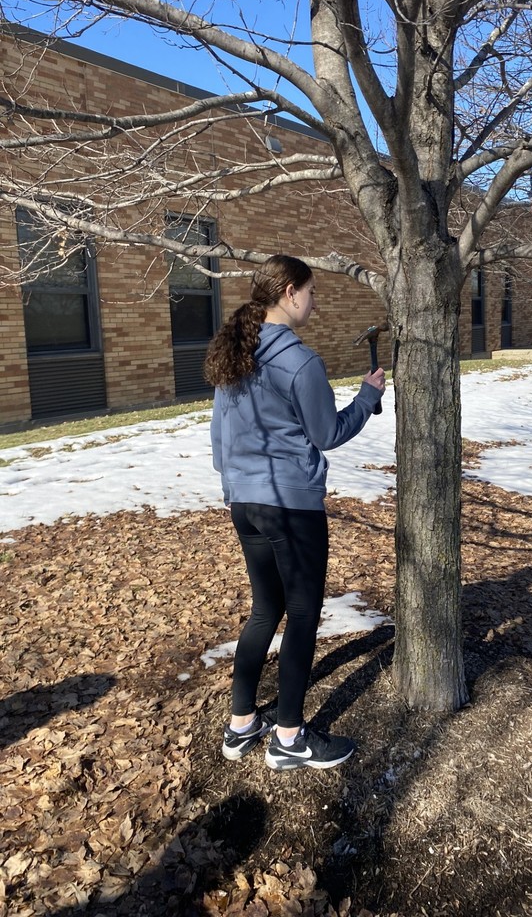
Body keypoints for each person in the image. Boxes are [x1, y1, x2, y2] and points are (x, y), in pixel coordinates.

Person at [204, 254, 385, 771]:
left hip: (245, 502)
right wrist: (367, 398)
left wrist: (239, 483)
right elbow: (327, 434)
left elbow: (220, 442)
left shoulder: (234, 352)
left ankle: (241, 726)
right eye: (310, 291)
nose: (315, 301)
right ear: (288, 292)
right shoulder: (299, 362)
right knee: (302, 612)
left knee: (266, 609)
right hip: (290, 506)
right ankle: (288, 737)